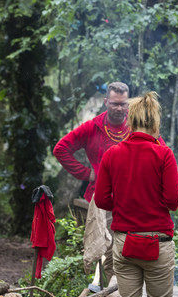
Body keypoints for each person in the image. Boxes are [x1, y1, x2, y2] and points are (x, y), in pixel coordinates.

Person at [94, 92, 178, 297]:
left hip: (125, 243)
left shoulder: (113, 154)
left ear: (131, 121)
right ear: (155, 121)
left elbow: (102, 200)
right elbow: (173, 200)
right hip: (158, 243)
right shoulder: (164, 154)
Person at [53, 82, 130, 282]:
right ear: (106, 102)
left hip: (132, 197)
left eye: (123, 104)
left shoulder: (136, 125)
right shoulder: (93, 127)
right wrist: (88, 174)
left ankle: (124, 292)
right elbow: (60, 149)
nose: (119, 108)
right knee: (108, 246)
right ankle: (107, 292)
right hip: (103, 198)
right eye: (114, 104)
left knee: (128, 247)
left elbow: (159, 148)